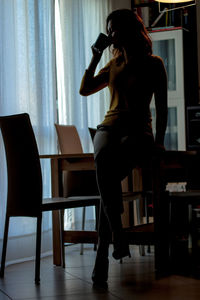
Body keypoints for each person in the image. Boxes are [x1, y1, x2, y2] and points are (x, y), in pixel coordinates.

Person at [79, 9, 168, 286]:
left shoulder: (154, 63)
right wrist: (95, 55)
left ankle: (103, 254)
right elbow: (84, 89)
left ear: (128, 30)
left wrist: (159, 142)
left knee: (105, 168)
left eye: (113, 29)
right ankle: (117, 234)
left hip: (138, 131)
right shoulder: (113, 64)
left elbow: (163, 108)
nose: (110, 34)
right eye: (108, 29)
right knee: (104, 158)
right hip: (109, 128)